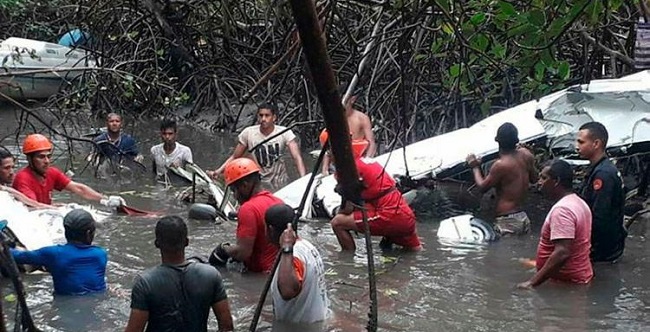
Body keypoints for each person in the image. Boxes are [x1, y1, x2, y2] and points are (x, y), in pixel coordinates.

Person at [124, 216, 234, 332]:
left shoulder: (145, 283)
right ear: (187, 242)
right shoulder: (211, 275)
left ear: (157, 243)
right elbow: (227, 326)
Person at [322, 130, 422, 251]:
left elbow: (347, 208)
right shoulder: (364, 161)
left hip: (388, 215)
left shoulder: (347, 170)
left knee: (337, 223)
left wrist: (339, 213)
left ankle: (347, 260)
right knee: (415, 251)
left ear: (331, 151)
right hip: (405, 214)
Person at [517, 160, 593, 289]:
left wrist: (532, 283)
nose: (539, 182)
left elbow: (562, 252)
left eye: (544, 178)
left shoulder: (562, 210)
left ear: (556, 181)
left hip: (566, 286)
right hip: (578, 279)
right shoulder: (579, 202)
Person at [208, 158, 282, 273]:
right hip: (277, 271)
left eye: (234, 190)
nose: (235, 196)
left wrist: (223, 249)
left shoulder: (248, 209)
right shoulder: (278, 201)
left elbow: (243, 253)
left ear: (244, 185)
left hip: (260, 275)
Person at [10, 209, 107, 295]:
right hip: (96, 301)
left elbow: (17, 256)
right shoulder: (101, 254)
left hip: (66, 306)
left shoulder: (53, 253)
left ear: (65, 231)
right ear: (89, 233)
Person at [12, 134, 125, 208]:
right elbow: (34, 207)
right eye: (41, 157)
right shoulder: (23, 178)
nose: (46, 161)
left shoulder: (51, 172)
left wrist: (105, 200)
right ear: (29, 159)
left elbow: (79, 189)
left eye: (48, 156)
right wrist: (64, 208)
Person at [211, 104, 306, 190]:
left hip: (279, 180)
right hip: (258, 180)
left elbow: (297, 157)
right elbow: (235, 157)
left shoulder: (284, 133)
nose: (263, 119)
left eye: (267, 115)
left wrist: (304, 179)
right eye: (261, 115)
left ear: (274, 118)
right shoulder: (248, 133)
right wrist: (218, 171)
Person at [465, 122, 537, 236]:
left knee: (504, 252)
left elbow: (482, 187)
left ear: (497, 140)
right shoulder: (526, 155)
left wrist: (474, 167)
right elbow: (534, 179)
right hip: (523, 216)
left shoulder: (501, 165)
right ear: (517, 140)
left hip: (507, 220)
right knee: (521, 253)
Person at [265, 203, 329, 323]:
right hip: (317, 322)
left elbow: (287, 291)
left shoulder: (292, 255)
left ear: (270, 229)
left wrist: (287, 249)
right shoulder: (308, 246)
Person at [575, 122, 627, 262]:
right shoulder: (601, 168)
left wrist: (585, 246)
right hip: (609, 245)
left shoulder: (603, 174)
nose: (576, 146)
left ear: (596, 143)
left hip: (603, 250)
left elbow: (600, 216)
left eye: (581, 142)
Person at [321, 95, 376, 175]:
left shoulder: (362, 118)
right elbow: (328, 150)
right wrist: (324, 169)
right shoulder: (334, 120)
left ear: (352, 100)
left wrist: (366, 162)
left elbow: (372, 144)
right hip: (338, 165)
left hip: (359, 162)